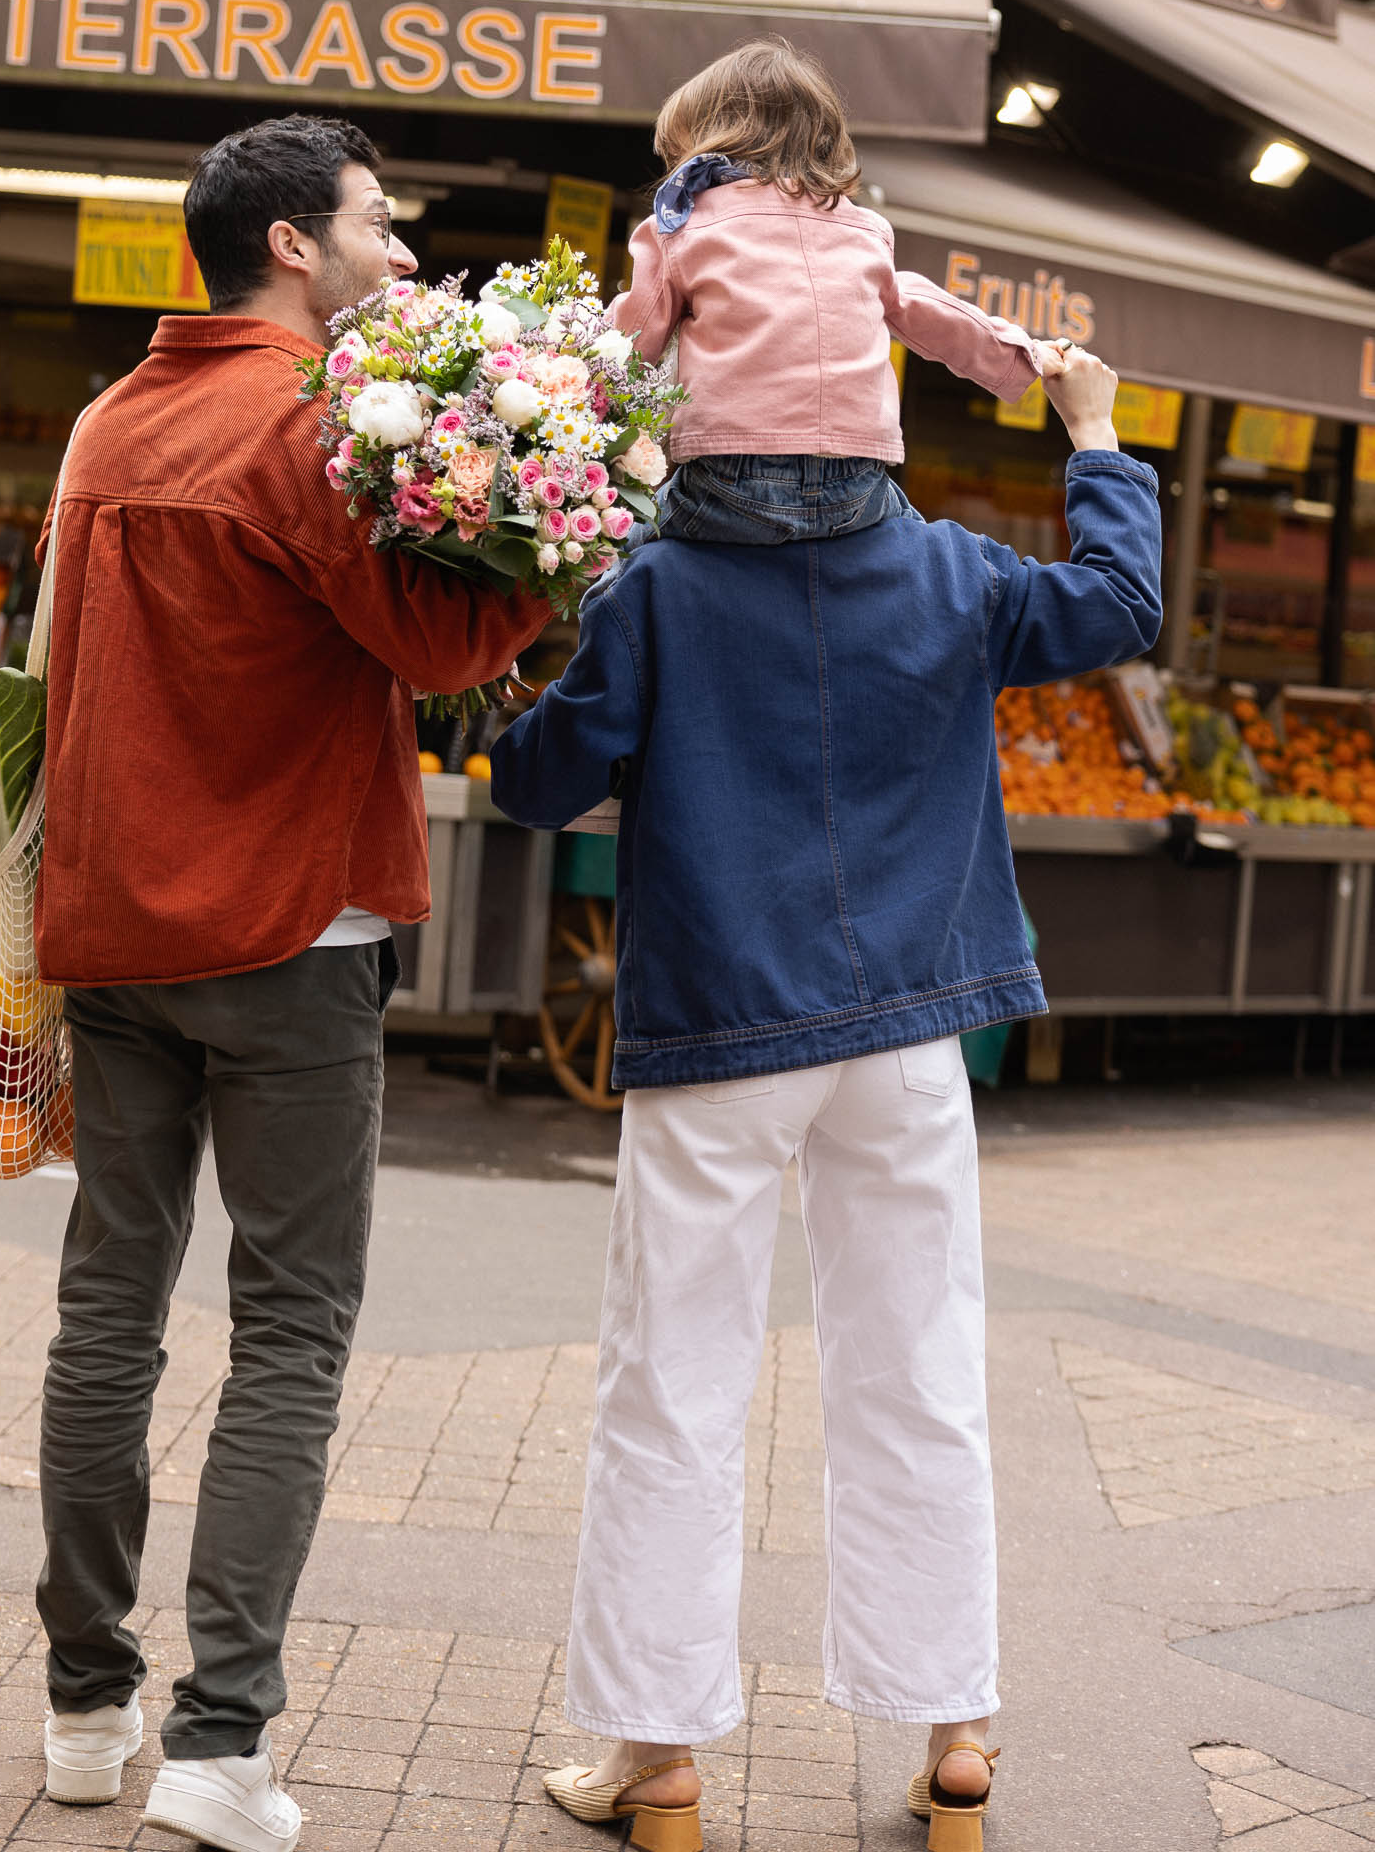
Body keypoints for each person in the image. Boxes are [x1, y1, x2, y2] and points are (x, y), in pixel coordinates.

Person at [490, 346, 1161, 1852]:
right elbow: (1121, 605)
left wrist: (500, 660)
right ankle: (956, 1747)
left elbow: (539, 782)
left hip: (719, 1025)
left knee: (672, 1386)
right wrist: (1097, 432)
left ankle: (656, 1766)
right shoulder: (947, 572)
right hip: (914, 1028)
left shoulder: (652, 586)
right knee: (919, 1370)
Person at [32, 114, 547, 1852]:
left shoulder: (110, 418)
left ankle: (84, 1706)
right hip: (287, 942)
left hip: (111, 936)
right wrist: (552, 530)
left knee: (107, 1309)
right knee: (290, 1331)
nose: (390, 252)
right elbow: (436, 644)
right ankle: (218, 1741)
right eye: (374, 225)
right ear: (284, 246)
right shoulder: (306, 423)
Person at [601, 37, 1067, 559]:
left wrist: (574, 399)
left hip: (729, 481)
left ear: (712, 145)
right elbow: (925, 308)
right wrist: (1021, 352)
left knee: (622, 552)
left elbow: (632, 340)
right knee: (917, 545)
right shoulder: (866, 231)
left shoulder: (683, 228)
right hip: (857, 488)